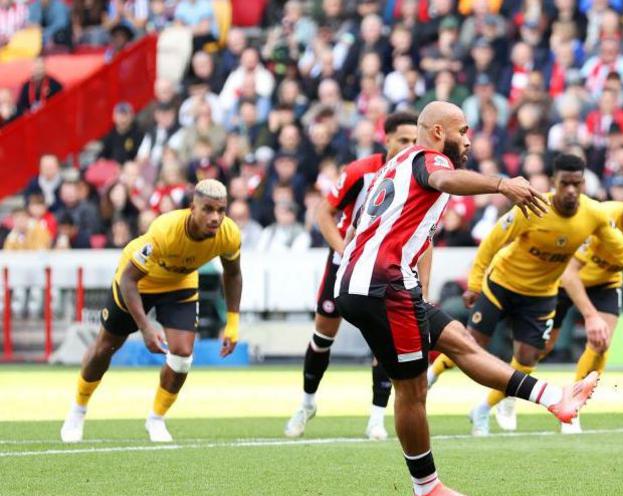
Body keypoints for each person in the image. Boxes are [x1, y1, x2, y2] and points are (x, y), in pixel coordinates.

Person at [334, 101, 597, 496]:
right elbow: (442, 177)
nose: (469, 140)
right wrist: (501, 184)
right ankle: (427, 489)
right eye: (464, 131)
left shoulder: (397, 164)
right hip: (383, 283)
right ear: (439, 131)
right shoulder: (429, 158)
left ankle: (553, 398)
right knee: (412, 389)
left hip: (370, 279)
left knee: (458, 339)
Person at [428, 152, 623, 437]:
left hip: (541, 293)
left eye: (577, 184)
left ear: (584, 183)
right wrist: (475, 284)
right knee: (474, 343)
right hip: (504, 281)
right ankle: (432, 374)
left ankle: (496, 405)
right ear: (554, 182)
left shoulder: (593, 214)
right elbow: (492, 242)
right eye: (565, 183)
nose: (572, 190)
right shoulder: (532, 207)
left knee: (528, 358)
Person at [60, 180, 242, 443]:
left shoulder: (229, 234)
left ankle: (156, 419)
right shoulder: (165, 230)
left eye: (221, 210)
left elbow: (234, 274)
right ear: (193, 208)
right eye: (208, 210)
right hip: (139, 282)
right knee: (105, 347)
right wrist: (146, 328)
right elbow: (129, 280)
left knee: (182, 355)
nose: (215, 218)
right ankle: (77, 411)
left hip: (180, 282)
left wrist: (232, 323)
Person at [284, 111, 418, 441]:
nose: (410, 147)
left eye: (415, 141)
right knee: (323, 334)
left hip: (385, 266)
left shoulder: (418, 175)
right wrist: (344, 251)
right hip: (346, 261)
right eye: (403, 140)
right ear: (386, 139)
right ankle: (307, 403)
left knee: (383, 342)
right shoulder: (360, 171)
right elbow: (324, 213)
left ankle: (376, 418)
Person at [542, 176, 623, 433]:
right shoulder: (603, 216)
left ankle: (571, 408)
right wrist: (590, 315)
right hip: (567, 279)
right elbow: (571, 271)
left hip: (606, 282)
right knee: (540, 349)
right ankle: (505, 398)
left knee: (601, 344)